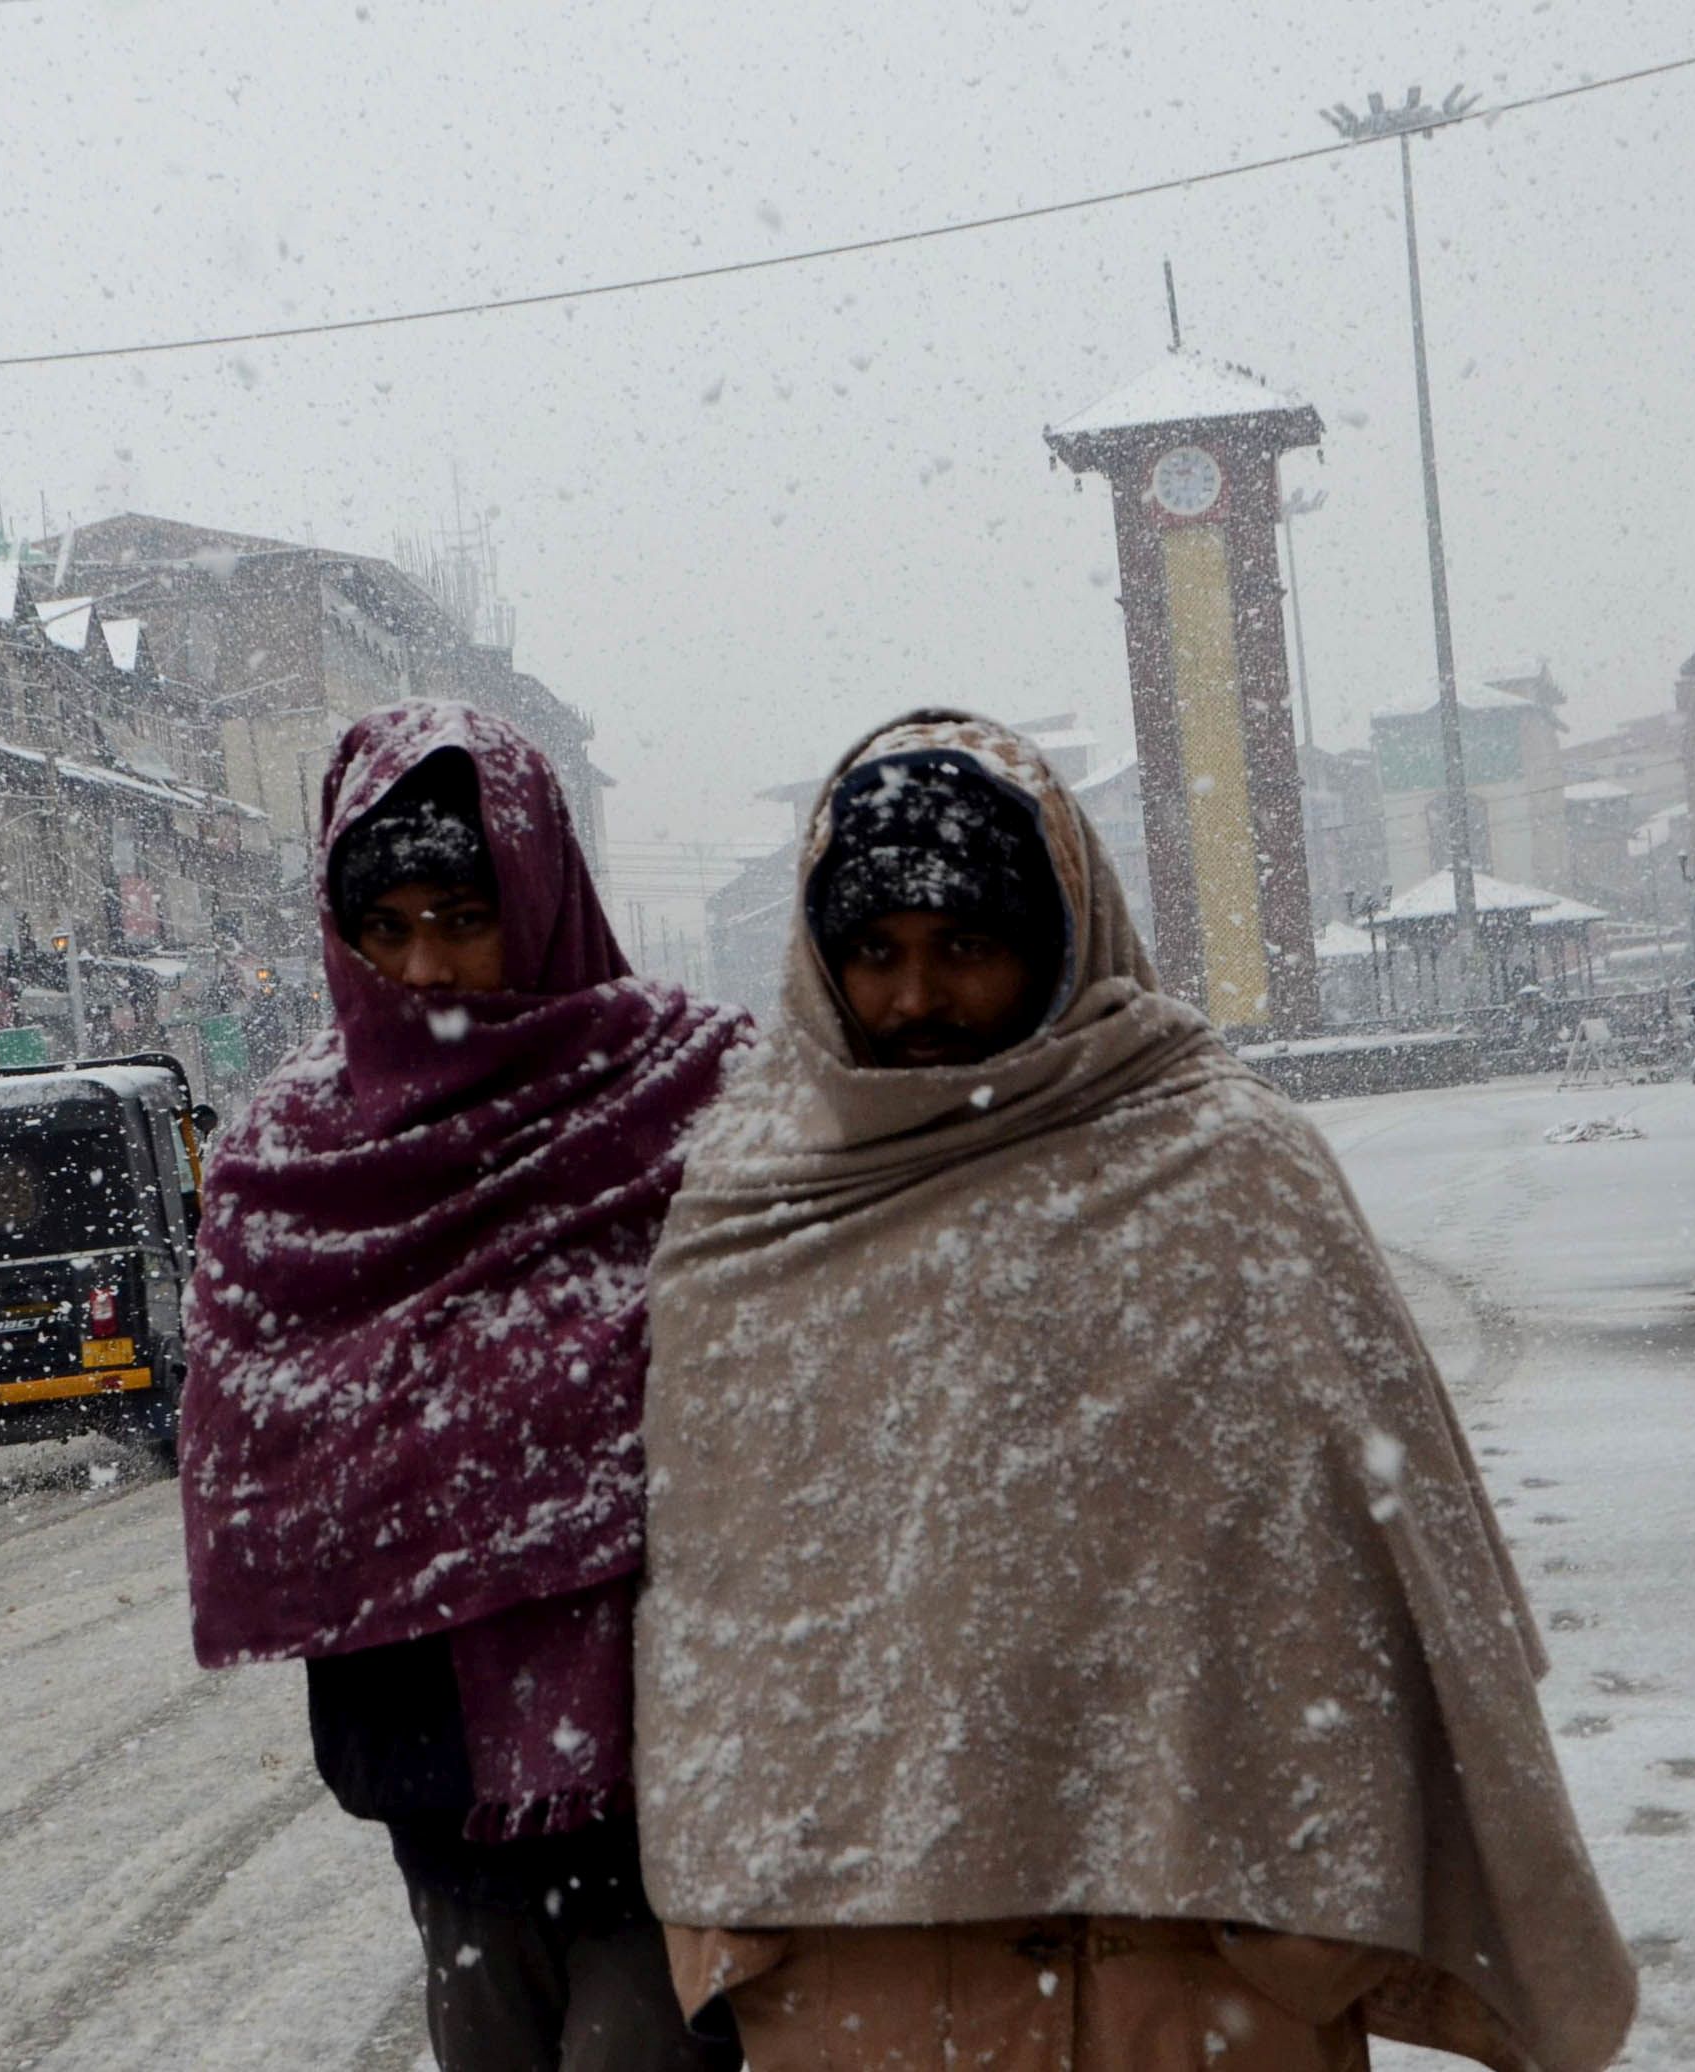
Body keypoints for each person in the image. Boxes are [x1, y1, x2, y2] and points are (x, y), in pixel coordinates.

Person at [633, 710, 1638, 2072]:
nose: (916, 998)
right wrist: (737, 1945)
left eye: (967, 947)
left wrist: (1294, 1930)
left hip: (1191, 1949)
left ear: (1058, 939)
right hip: (863, 1967)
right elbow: (718, 1605)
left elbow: (1398, 1561)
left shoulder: (1227, 1169)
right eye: (875, 953)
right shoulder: (753, 1206)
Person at [178, 702, 751, 2072]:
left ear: (541, 894)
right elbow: (262, 1474)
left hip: (688, 1760)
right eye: (386, 928)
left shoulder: (702, 1098)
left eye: (462, 914)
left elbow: (787, 1417)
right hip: (436, 1772)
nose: (426, 965)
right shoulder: (284, 1165)